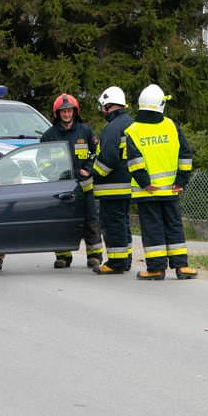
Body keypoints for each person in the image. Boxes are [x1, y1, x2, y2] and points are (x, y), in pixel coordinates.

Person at [124, 84, 197, 280]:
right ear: (160, 104)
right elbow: (186, 153)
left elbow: (134, 160)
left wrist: (145, 182)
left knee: (152, 228)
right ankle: (181, 267)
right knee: (174, 225)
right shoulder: (171, 126)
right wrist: (181, 180)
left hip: (147, 192)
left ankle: (156, 269)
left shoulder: (132, 130)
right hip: (171, 190)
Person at [40, 93, 103, 268]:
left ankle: (95, 255)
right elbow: (42, 161)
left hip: (85, 186)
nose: (66, 115)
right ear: (57, 114)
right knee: (61, 221)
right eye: (63, 112)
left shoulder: (86, 132)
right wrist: (54, 174)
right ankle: (63, 255)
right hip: (61, 189)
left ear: (75, 112)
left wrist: (88, 170)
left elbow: (95, 154)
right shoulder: (49, 136)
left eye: (69, 111)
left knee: (91, 220)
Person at [91, 86, 135, 275]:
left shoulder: (112, 128)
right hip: (128, 185)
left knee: (113, 225)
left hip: (112, 187)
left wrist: (94, 172)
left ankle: (116, 263)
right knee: (123, 223)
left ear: (107, 105)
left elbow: (108, 157)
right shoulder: (130, 123)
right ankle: (126, 260)